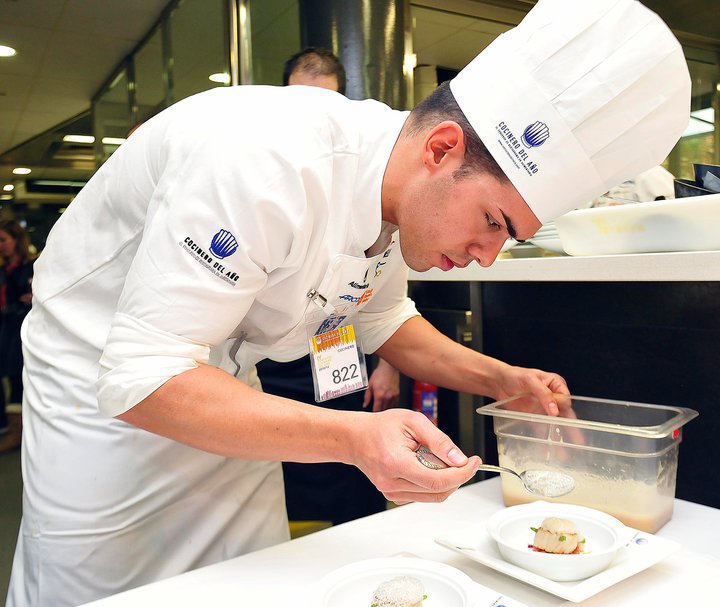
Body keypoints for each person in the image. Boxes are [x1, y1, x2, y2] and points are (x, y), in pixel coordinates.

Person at [8, 0, 690, 604]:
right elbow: (143, 377)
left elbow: (382, 318)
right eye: (494, 222)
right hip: (99, 394)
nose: (487, 254)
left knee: (249, 578)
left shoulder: (400, 196)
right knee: (106, 588)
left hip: (225, 383)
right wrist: (353, 438)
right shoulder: (266, 158)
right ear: (442, 149)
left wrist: (501, 379)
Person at [261, 47, 399, 525]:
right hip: (268, 366)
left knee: (350, 464)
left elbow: (383, 294)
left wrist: (387, 365)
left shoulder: (367, 176)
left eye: (327, 101)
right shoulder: (268, 177)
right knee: (287, 470)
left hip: (336, 351)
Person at [0, 220, 34, 453]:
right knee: (12, 377)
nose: (1, 246)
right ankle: (14, 429)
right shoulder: (5, 270)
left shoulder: (32, 267)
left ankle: (20, 432)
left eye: (3, 240)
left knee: (21, 377)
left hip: (25, 329)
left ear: (16, 240)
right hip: (8, 328)